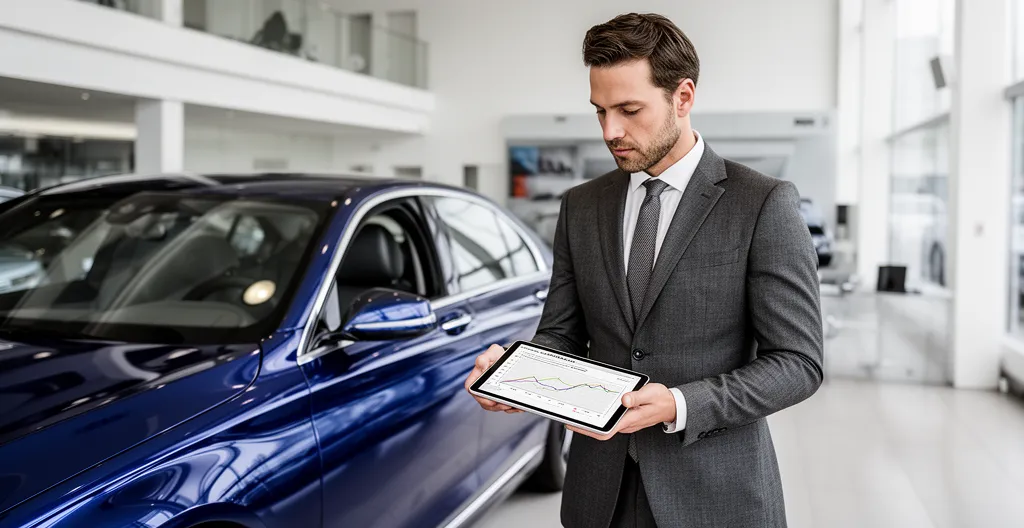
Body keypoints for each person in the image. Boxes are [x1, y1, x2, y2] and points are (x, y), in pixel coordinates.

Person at [464, 12, 824, 528]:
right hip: (598, 493)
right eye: (600, 111)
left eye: (630, 110)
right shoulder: (581, 206)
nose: (611, 131)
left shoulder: (761, 203)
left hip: (714, 495)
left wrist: (679, 403)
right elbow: (561, 333)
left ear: (683, 97)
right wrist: (516, 377)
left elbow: (798, 362)